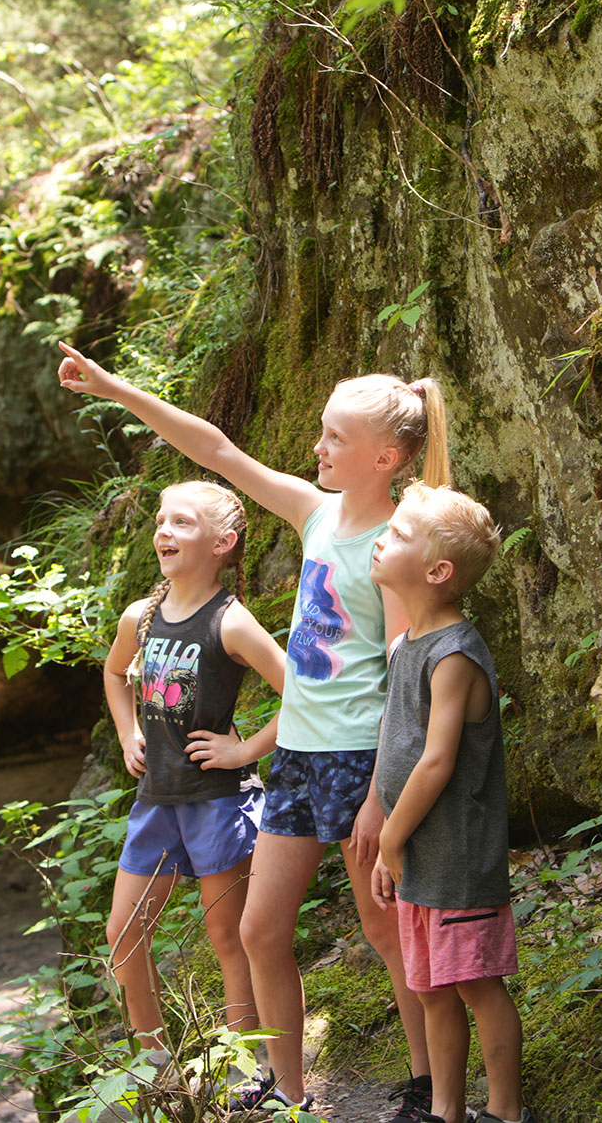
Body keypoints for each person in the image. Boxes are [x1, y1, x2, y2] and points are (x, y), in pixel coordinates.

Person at [59, 342, 450, 1120]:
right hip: (299, 756)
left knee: (384, 926)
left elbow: (407, 678)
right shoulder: (315, 511)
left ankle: (426, 1083)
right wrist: (111, 388)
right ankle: (285, 1087)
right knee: (260, 927)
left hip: (362, 757)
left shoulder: (397, 543)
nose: (318, 447)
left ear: (387, 455)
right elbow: (217, 448)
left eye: (334, 438)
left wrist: (380, 794)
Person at [102, 481, 287, 1062]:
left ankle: (247, 1068)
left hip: (217, 799)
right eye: (161, 521)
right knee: (123, 934)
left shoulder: (229, 622)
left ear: (222, 543)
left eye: (182, 523)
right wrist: (128, 731)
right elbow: (115, 675)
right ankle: (155, 1060)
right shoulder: (141, 615)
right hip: (156, 798)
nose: (163, 531)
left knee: (228, 940)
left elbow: (303, 694)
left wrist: (245, 750)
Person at [368, 483, 523, 1123]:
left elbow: (436, 761)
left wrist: (389, 838)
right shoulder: (407, 645)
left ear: (437, 572)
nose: (383, 537)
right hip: (418, 859)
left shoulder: (454, 654)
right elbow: (393, 739)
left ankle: (507, 1111)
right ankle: (445, 1110)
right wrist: (387, 831)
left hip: (456, 860)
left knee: (477, 986)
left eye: (400, 534)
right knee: (431, 988)